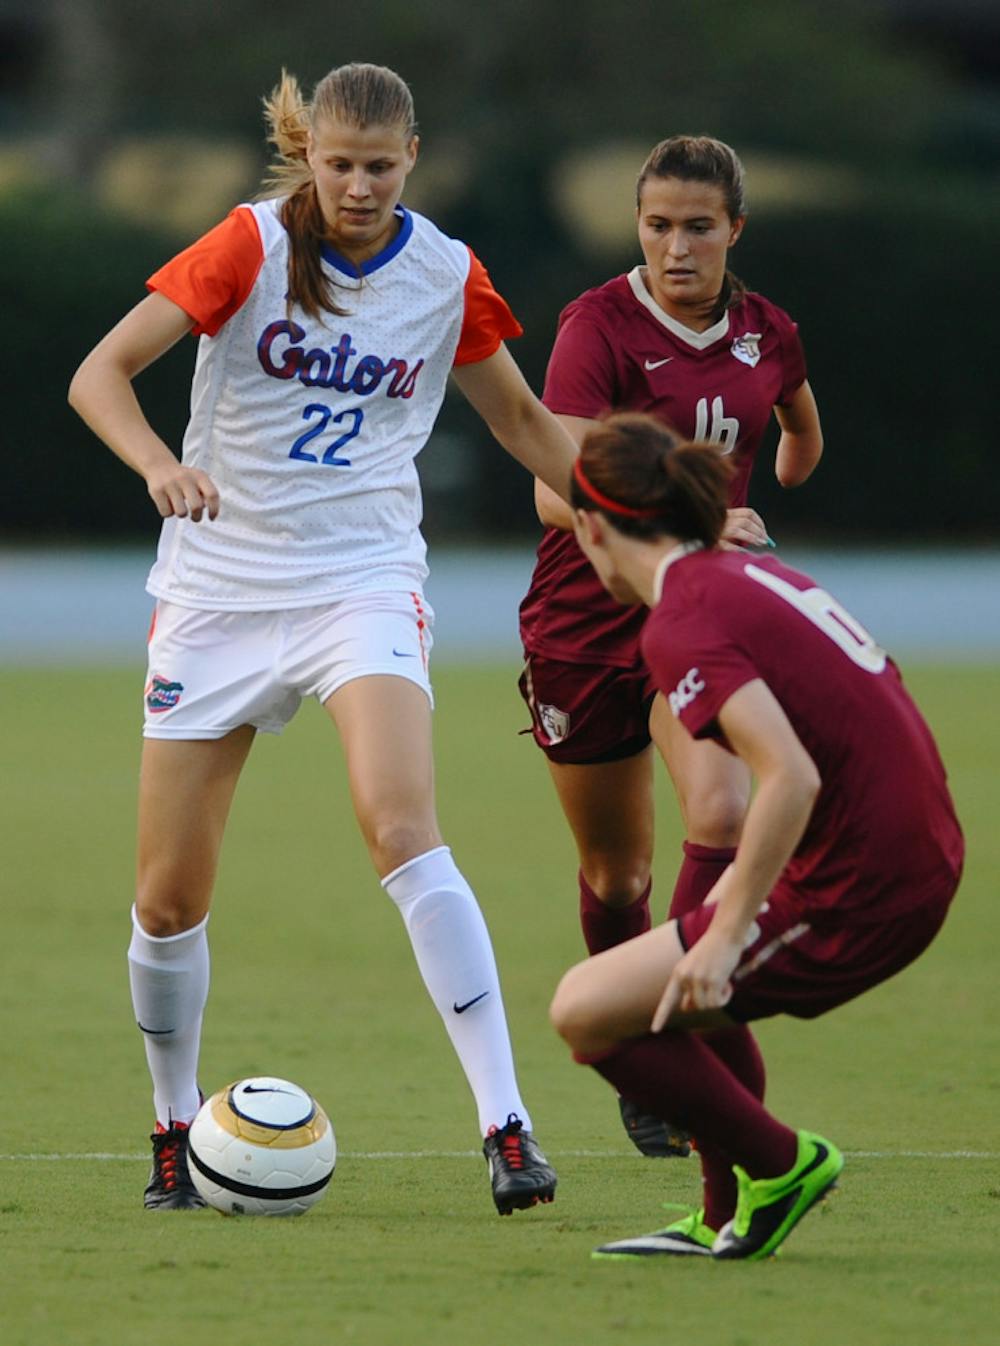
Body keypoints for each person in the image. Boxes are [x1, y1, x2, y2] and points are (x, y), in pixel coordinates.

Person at [68, 62, 577, 1217]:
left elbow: (527, 424)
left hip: (361, 579)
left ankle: (506, 1123)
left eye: (379, 166)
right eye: (339, 164)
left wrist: (643, 521)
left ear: (412, 159)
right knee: (165, 898)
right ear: (311, 158)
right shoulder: (244, 246)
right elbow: (98, 373)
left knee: (401, 824)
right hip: (218, 592)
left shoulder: (445, 272)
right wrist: (159, 462)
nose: (357, 184)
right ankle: (171, 1121)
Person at [548, 413, 964, 1260]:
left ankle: (782, 1165)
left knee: (588, 1013)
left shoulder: (680, 619)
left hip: (868, 884)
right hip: (897, 848)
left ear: (591, 527)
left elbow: (792, 775)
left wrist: (731, 932)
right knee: (682, 975)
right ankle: (721, 1213)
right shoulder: (726, 576)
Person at [517, 134, 824, 1156]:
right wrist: (690, 516)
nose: (676, 246)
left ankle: (681, 1055)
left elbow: (797, 428)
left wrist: (783, 465)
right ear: (637, 227)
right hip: (581, 621)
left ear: (736, 228)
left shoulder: (766, 330)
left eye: (698, 226)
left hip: (691, 615)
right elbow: (550, 492)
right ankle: (642, 1021)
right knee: (615, 876)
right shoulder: (595, 326)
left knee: (725, 806)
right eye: (657, 226)